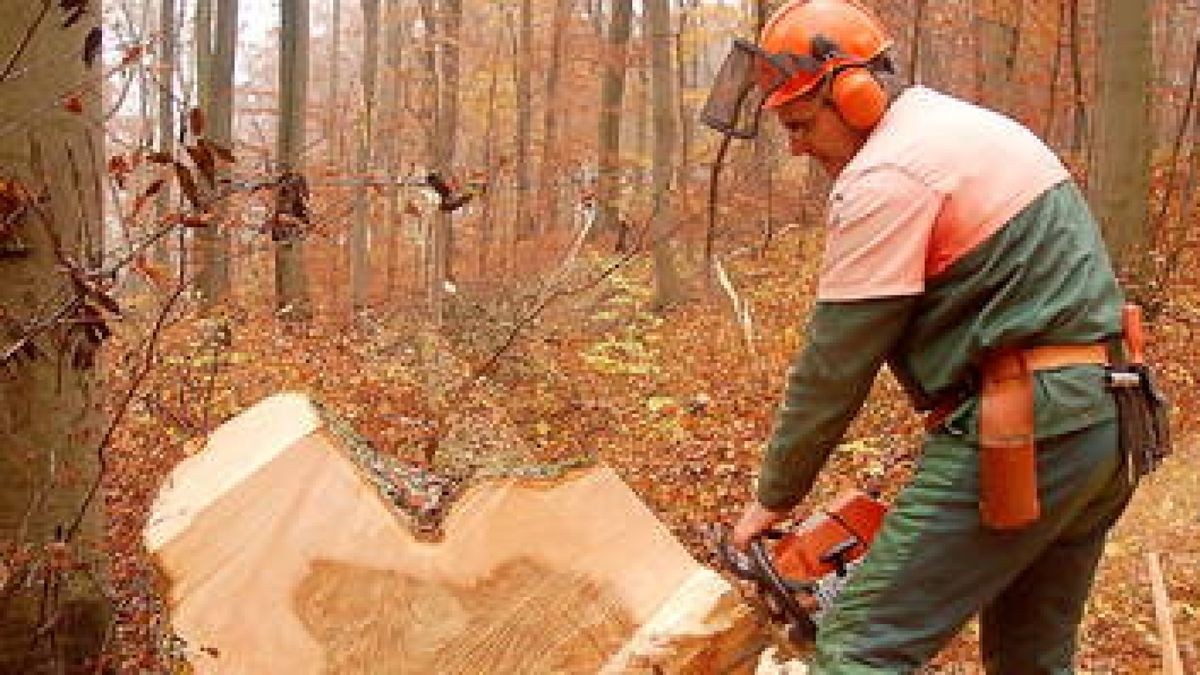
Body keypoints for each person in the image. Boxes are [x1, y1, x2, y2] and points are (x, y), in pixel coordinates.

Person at [721, 0, 1137, 672]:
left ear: (852, 96)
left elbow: (834, 365)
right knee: (1032, 657)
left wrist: (771, 498)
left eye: (800, 124)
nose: (796, 146)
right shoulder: (960, 127)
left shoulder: (888, 174)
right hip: (1109, 416)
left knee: (859, 645)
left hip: (1030, 422)